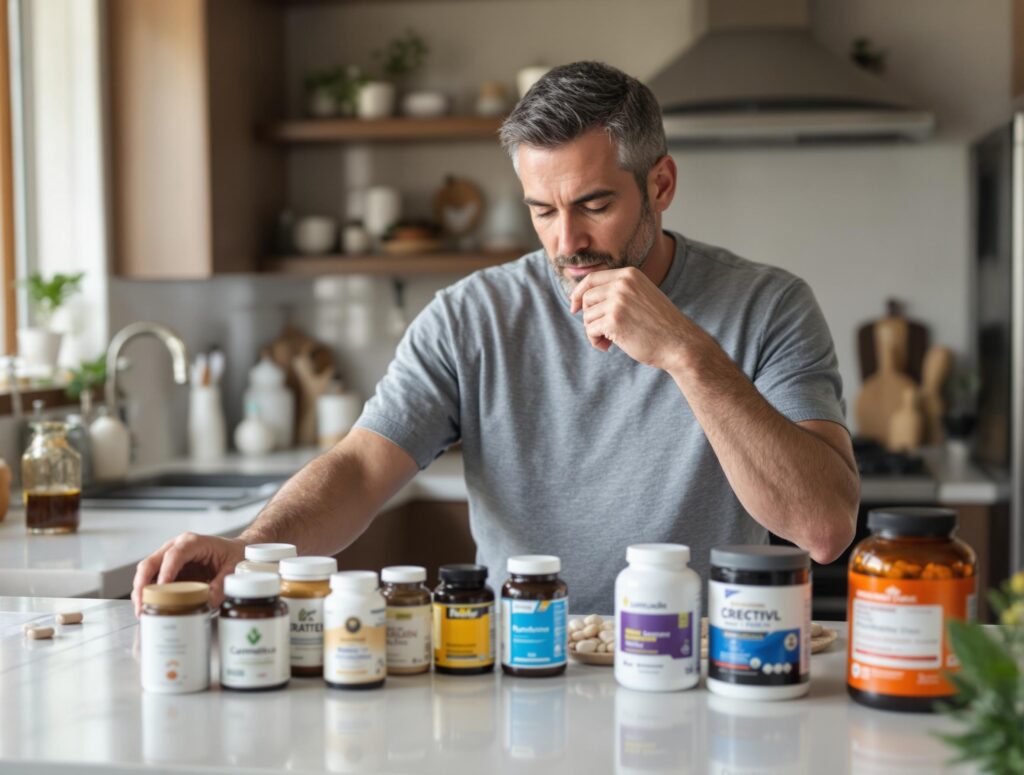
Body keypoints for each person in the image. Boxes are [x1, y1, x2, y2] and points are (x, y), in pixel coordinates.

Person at [132, 61, 859, 615]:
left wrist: (686, 353)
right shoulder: (470, 316)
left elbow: (824, 528)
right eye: (542, 210)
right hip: (524, 664)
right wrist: (248, 549)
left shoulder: (770, 306)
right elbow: (359, 469)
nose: (567, 240)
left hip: (706, 664)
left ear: (661, 185)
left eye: (595, 204)